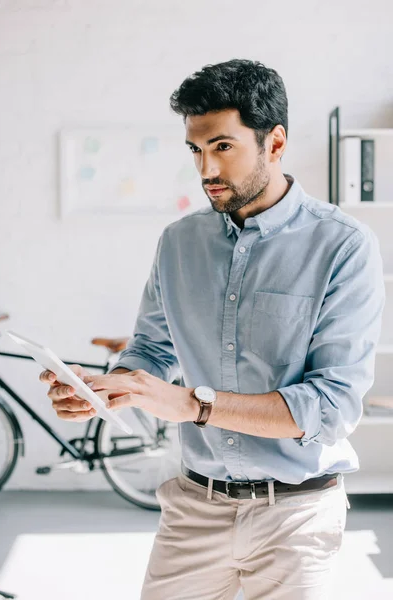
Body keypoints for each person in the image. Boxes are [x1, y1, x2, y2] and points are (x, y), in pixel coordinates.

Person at [40, 59, 385, 599]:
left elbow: (332, 406)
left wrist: (192, 404)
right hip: (194, 508)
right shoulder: (179, 241)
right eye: (196, 150)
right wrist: (114, 385)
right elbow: (153, 347)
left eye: (222, 147)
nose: (206, 170)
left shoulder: (343, 246)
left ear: (275, 143)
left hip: (295, 516)